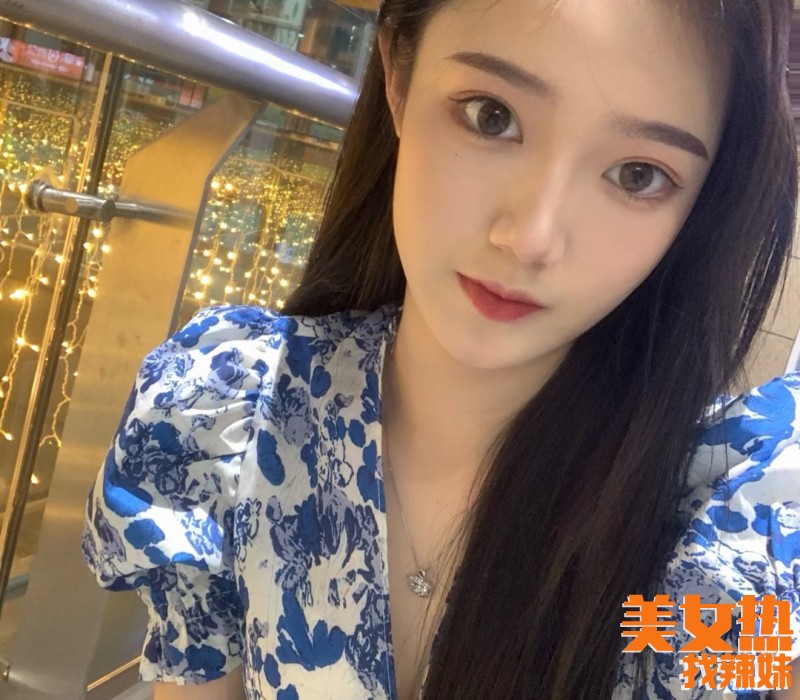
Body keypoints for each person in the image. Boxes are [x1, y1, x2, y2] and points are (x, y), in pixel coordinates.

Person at [80, 0, 800, 698]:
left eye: (638, 175)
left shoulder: (738, 519)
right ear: (398, 73)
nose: (530, 238)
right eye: (492, 116)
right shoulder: (226, 415)